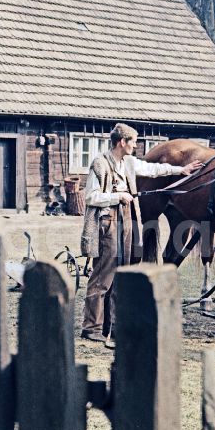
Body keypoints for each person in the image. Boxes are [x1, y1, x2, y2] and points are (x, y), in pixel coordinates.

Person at [80, 123, 202, 344]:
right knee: (102, 276)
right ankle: (91, 327)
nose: (135, 146)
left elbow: (154, 169)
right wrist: (117, 197)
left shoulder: (127, 162)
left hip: (126, 222)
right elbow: (90, 197)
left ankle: (116, 325)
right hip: (107, 224)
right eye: (133, 142)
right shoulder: (100, 163)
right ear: (121, 142)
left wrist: (180, 170)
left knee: (122, 275)